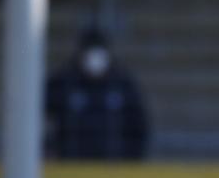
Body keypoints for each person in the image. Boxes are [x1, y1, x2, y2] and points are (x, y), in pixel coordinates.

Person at [45, 27, 149, 160]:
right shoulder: (64, 82)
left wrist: (131, 159)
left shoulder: (122, 83)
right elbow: (38, 117)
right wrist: (49, 148)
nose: (95, 60)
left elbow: (139, 127)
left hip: (112, 167)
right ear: (81, 54)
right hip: (70, 164)